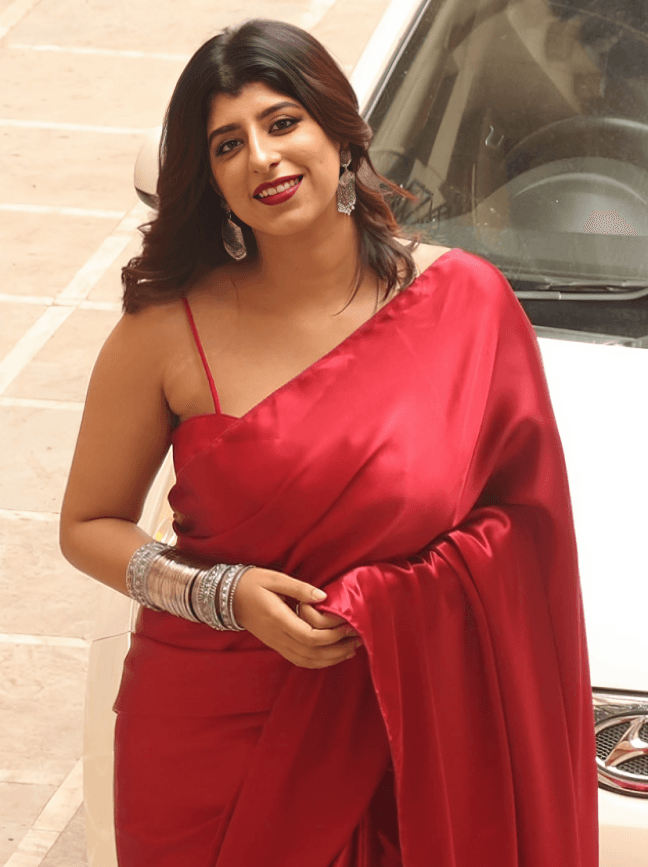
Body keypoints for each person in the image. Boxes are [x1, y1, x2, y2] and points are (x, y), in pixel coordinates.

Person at [59, 18, 599, 867]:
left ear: (340, 135)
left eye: (283, 123)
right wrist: (227, 594)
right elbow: (86, 525)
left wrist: (389, 609)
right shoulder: (165, 331)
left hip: (409, 738)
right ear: (210, 178)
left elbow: (528, 533)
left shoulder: (467, 305)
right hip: (207, 739)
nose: (263, 158)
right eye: (228, 144)